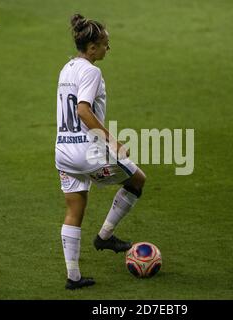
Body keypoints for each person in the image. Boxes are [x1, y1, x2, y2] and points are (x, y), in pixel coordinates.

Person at [55, 13, 146, 290]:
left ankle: (73, 278)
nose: (109, 48)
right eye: (105, 44)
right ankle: (105, 236)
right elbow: (83, 109)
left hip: (63, 151)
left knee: (75, 209)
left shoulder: (66, 68)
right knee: (137, 179)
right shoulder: (91, 71)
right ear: (91, 48)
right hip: (86, 152)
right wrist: (112, 142)